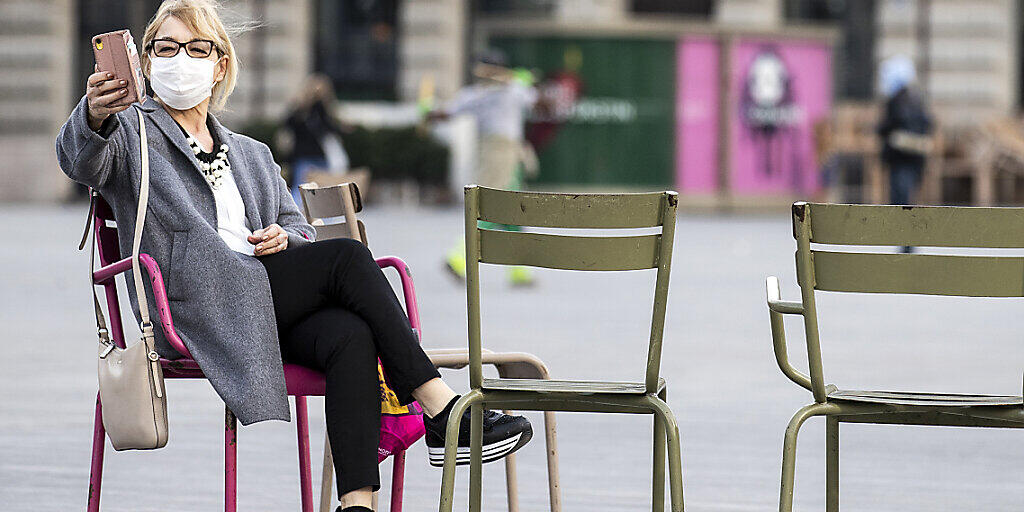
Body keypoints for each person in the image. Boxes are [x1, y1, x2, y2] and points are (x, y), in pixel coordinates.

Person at [55, 2, 531, 511]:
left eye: (196, 48)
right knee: (348, 258)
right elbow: (81, 161)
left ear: (219, 64)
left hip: (263, 295)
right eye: (165, 48)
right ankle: (439, 406)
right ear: (145, 61)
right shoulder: (132, 133)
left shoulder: (251, 152)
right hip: (197, 303)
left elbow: (296, 225)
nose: (180, 60)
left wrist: (286, 238)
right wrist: (94, 113)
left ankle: (357, 504)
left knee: (351, 335)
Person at [429, 52, 539, 286]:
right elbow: (541, 103)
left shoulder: (483, 93)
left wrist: (427, 113)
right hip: (500, 156)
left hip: (502, 155)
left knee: (513, 215)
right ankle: (457, 257)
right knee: (491, 210)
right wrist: (527, 83)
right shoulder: (508, 90)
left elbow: (443, 114)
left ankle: (520, 271)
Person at [278, 74, 351, 204]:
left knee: (319, 190)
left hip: (316, 157)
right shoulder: (302, 110)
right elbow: (289, 125)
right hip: (305, 157)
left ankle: (316, 218)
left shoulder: (320, 110)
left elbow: (329, 128)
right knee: (302, 190)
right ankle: (298, 218)